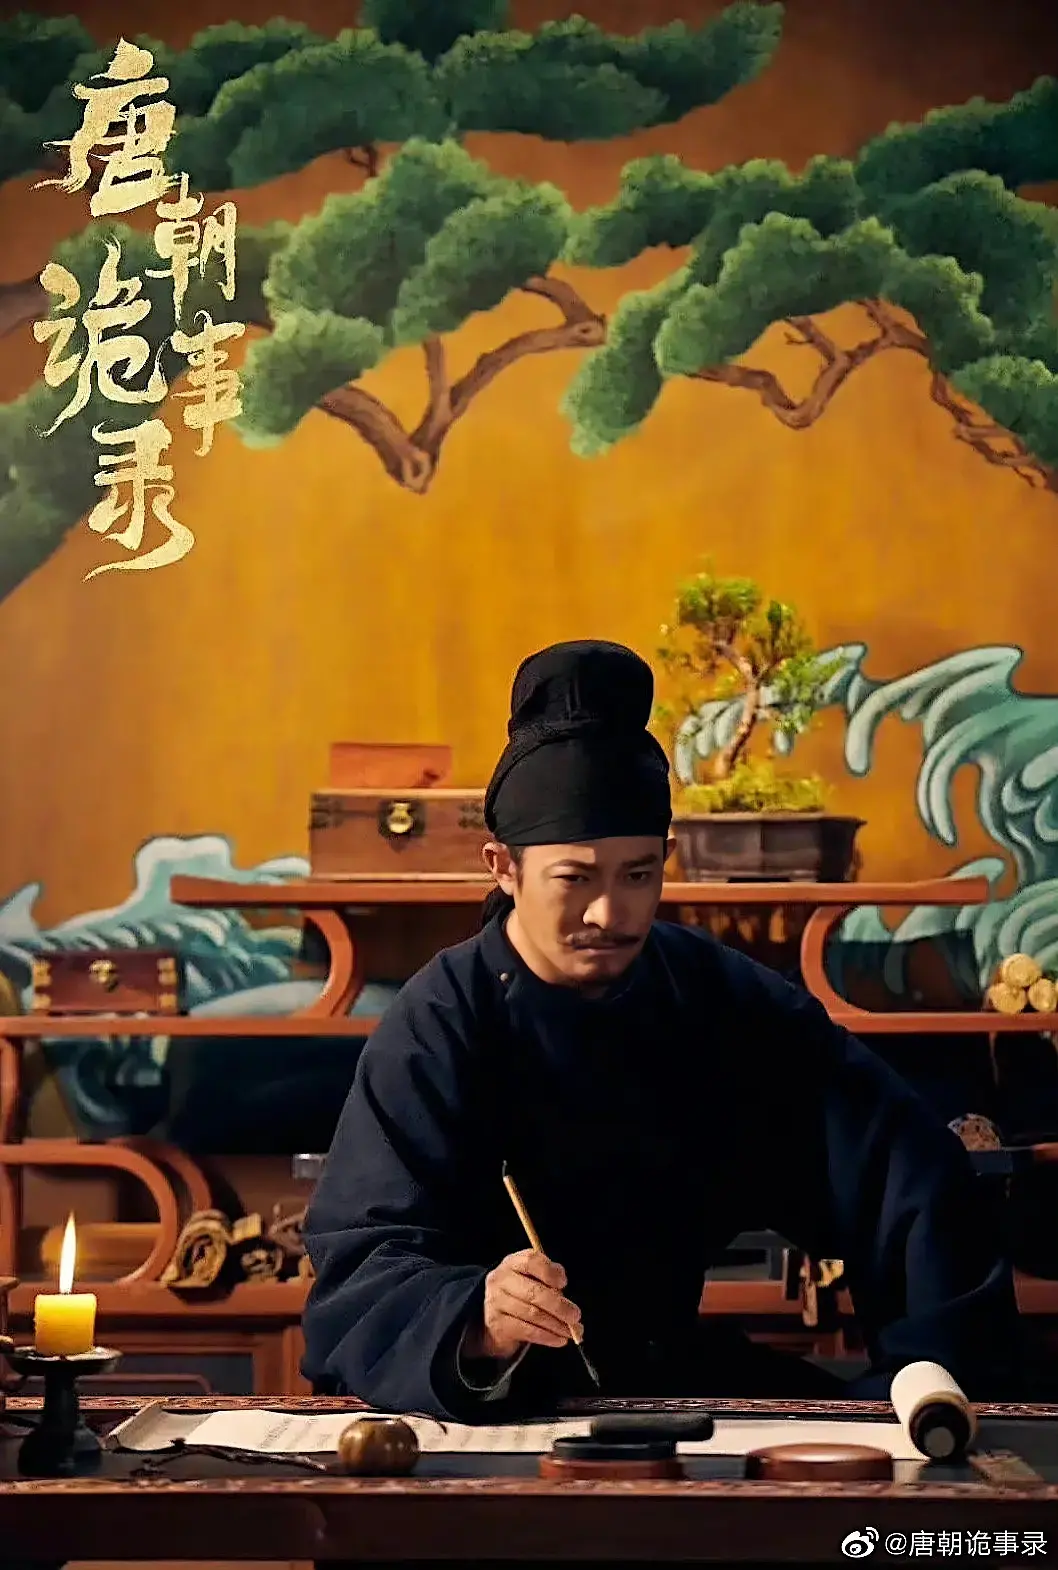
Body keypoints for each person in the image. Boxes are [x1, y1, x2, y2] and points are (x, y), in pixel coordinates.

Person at [301, 639, 1019, 1420]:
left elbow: (896, 1165)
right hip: (492, 1398)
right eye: (575, 878)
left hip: (669, 1378)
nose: (610, 912)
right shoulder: (440, 1022)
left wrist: (928, 1380)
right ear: (503, 867)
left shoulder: (713, 995)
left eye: (638, 875)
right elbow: (362, 1265)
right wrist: (475, 1318)